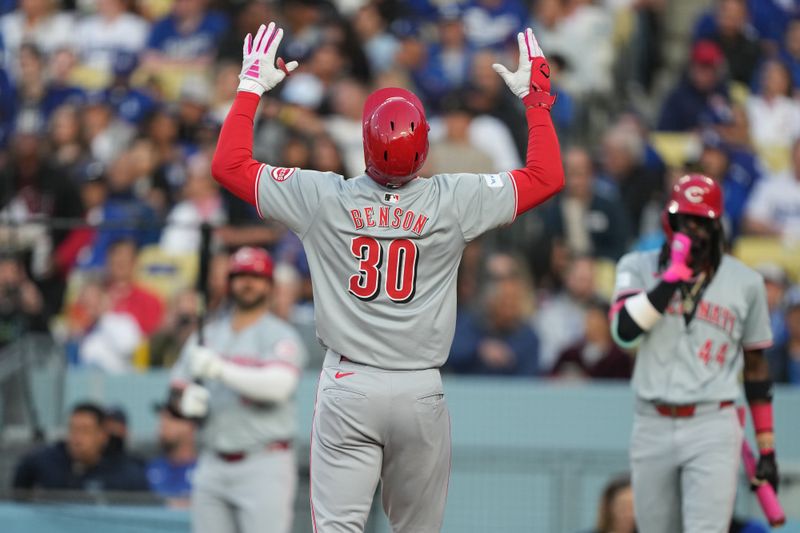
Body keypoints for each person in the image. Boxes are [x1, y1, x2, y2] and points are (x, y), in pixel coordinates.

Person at [211, 21, 563, 532]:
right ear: (424, 145)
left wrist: (248, 90)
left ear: (365, 142)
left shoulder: (324, 197)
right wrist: (536, 102)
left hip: (349, 380)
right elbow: (547, 177)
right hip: (420, 386)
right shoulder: (453, 200)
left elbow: (229, 165)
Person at [609, 174, 779, 533]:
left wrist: (766, 446)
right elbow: (624, 333)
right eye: (687, 220)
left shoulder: (746, 282)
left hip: (712, 421)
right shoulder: (636, 266)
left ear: (718, 226)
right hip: (652, 418)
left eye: (703, 222)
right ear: (670, 221)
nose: (694, 230)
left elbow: (756, 365)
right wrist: (671, 278)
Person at [169, 246, 307, 533]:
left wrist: (220, 369)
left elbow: (277, 387)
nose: (247, 283)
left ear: (269, 285)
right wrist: (185, 403)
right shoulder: (208, 333)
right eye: (241, 275)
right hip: (212, 459)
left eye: (256, 277)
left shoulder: (280, 335)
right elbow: (176, 391)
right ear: (229, 282)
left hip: (264, 462)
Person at [12, 402, 149, 493]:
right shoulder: (47, 461)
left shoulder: (124, 472)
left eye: (85, 431)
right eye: (73, 430)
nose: (77, 439)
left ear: (102, 435)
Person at [146, 400, 198, 506]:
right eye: (161, 418)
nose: (163, 424)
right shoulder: (147, 469)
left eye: (171, 418)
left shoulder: (207, 472)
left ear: (190, 425)